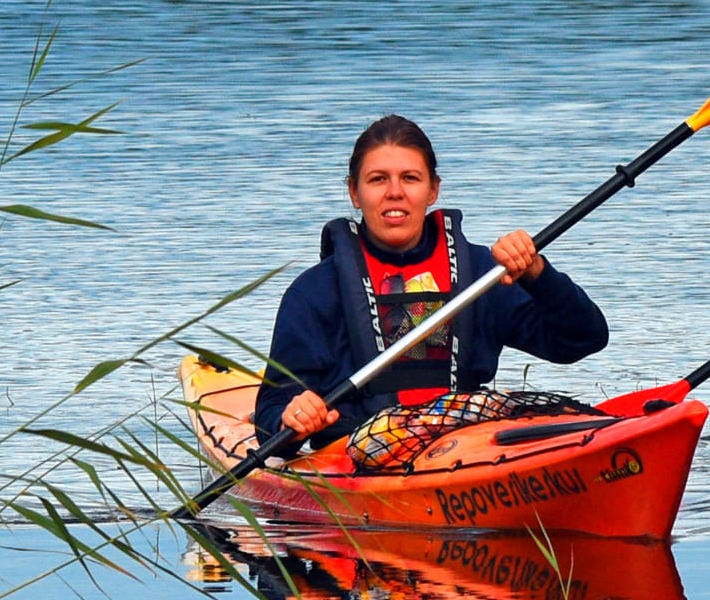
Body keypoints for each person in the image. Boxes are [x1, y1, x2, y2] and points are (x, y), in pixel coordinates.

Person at [254, 114, 609, 448]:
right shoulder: (314, 291)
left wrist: (538, 274)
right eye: (378, 179)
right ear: (354, 193)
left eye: (410, 178)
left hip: (467, 445)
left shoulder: (483, 273)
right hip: (358, 458)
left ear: (433, 190)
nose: (395, 192)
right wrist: (293, 415)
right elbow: (270, 416)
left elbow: (581, 340)